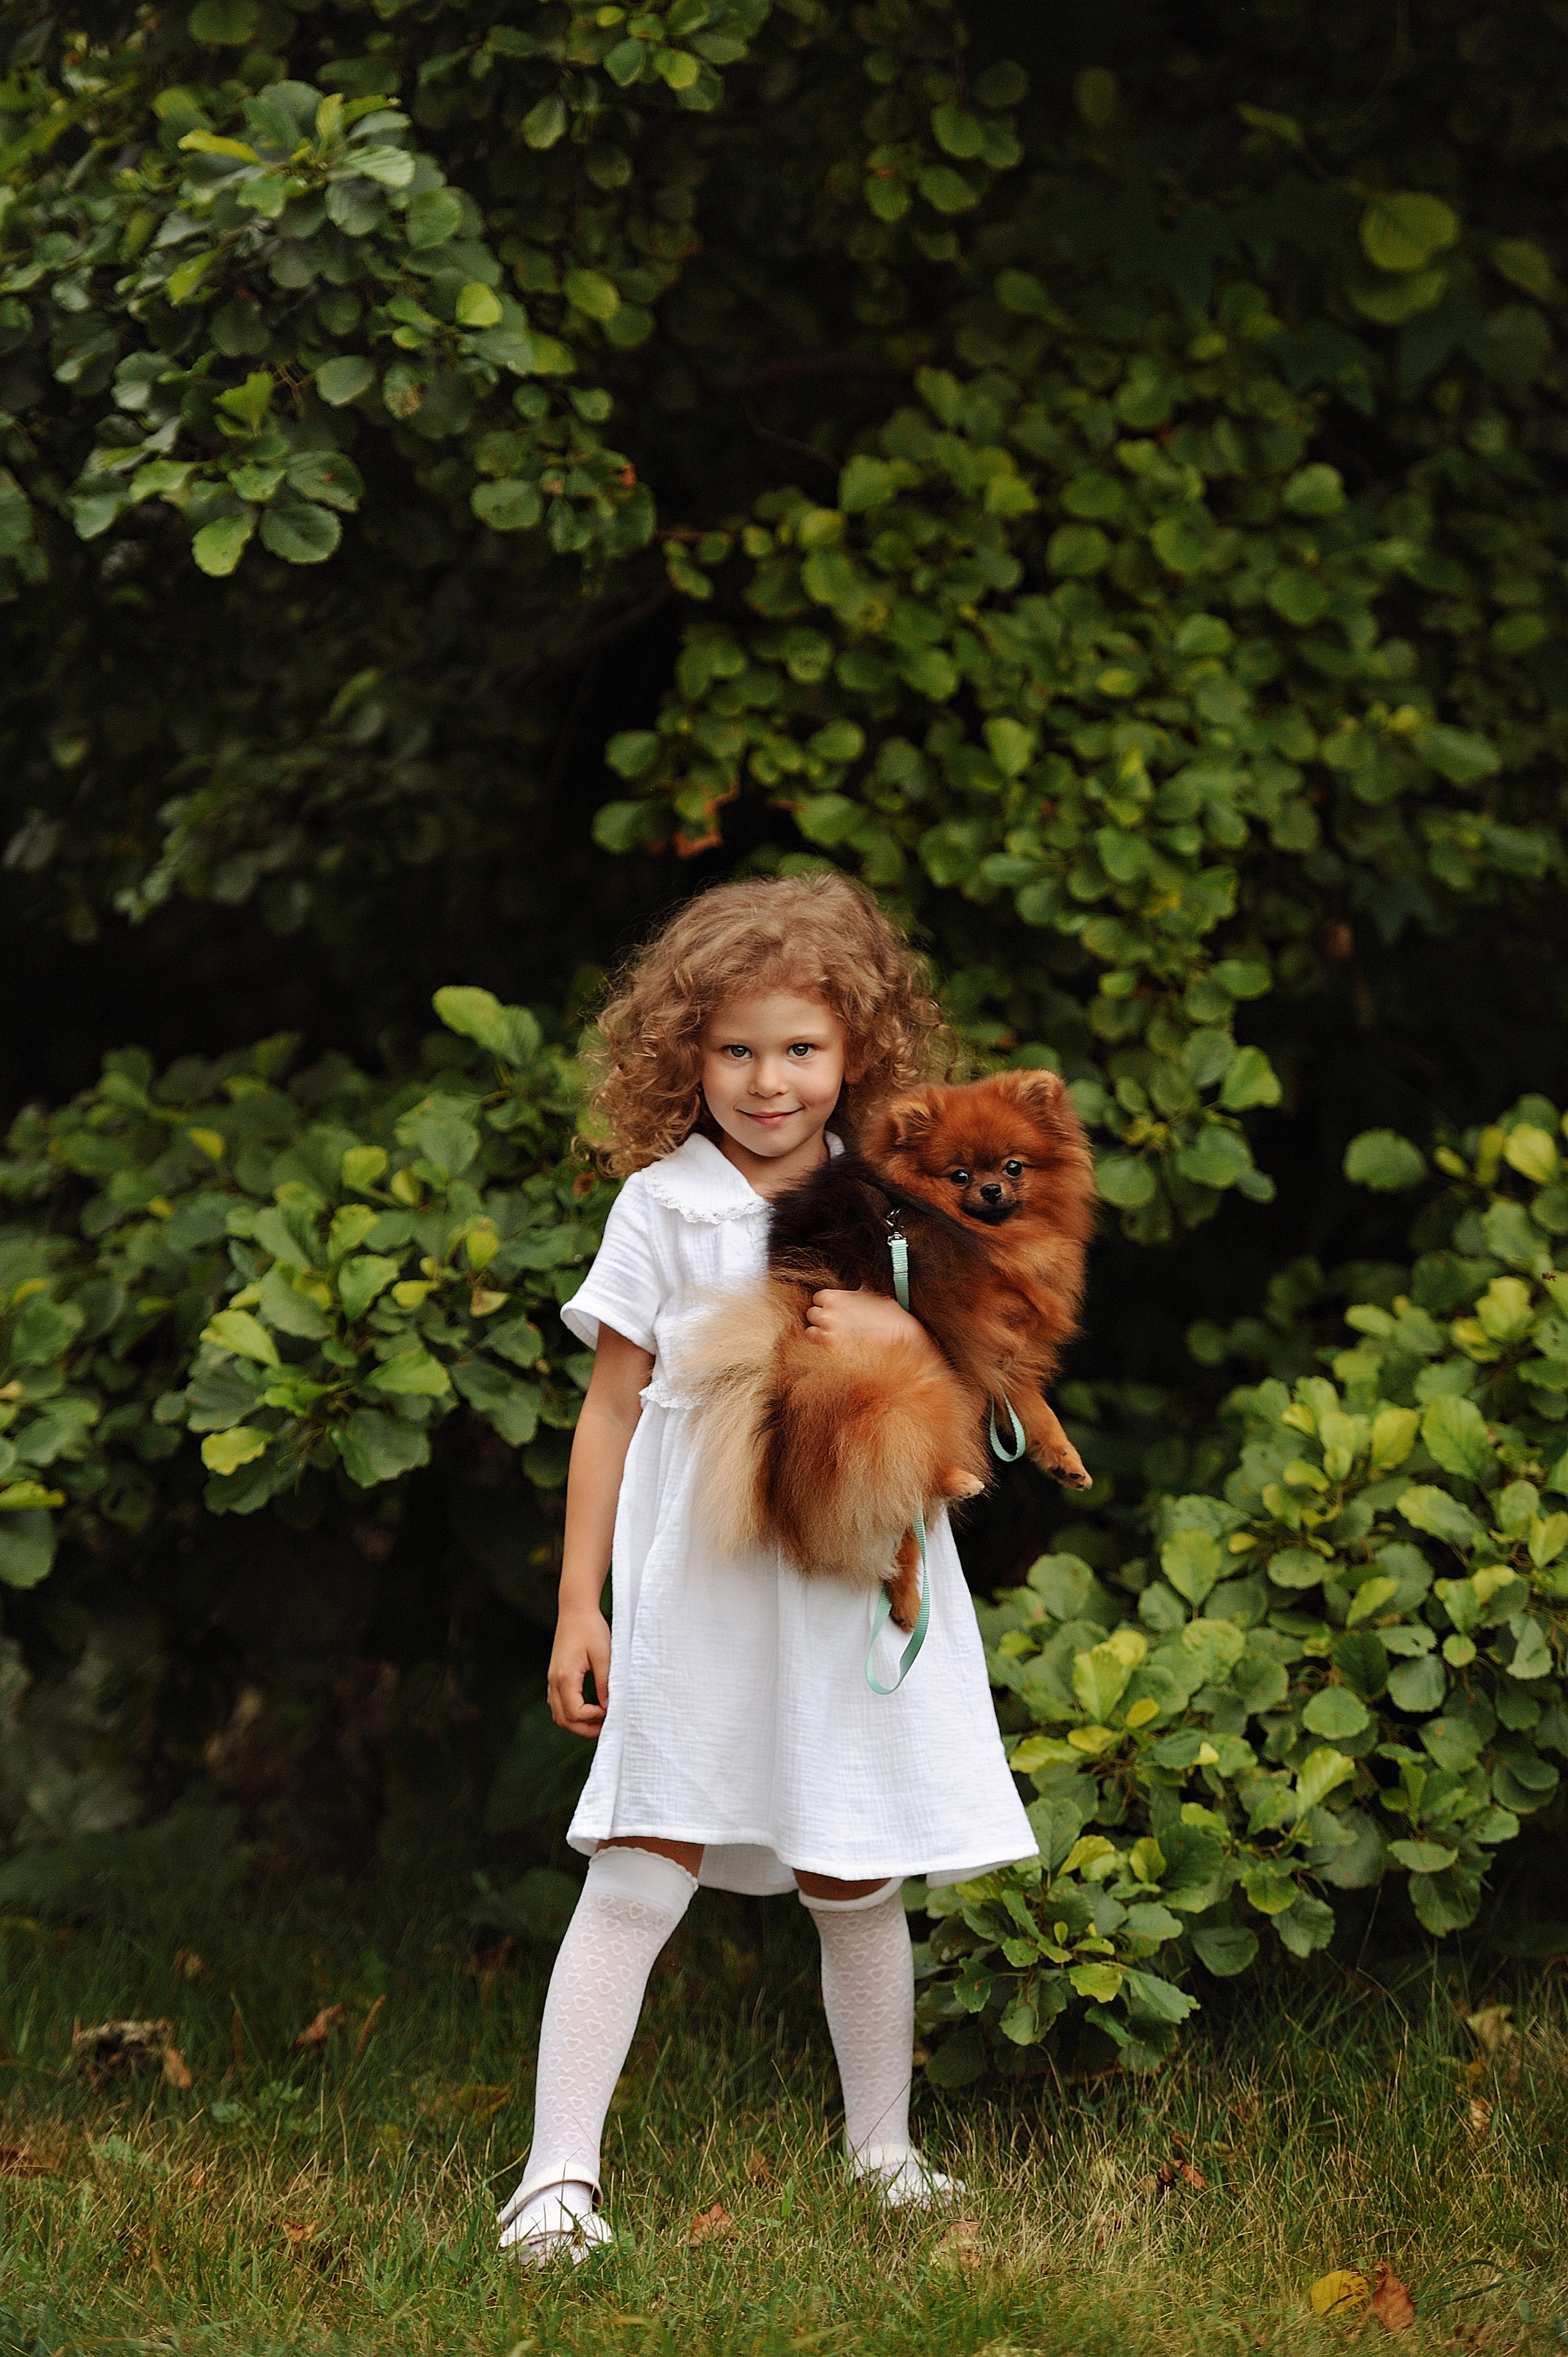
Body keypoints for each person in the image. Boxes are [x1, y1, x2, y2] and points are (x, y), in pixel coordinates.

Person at [496, 874, 1037, 2263]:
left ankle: (883, 2152)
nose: (767, 1080)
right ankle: (555, 2179)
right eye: (733, 1049)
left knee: (855, 1872)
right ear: (685, 1057)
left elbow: (973, 1376)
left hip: (848, 1579)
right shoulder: (661, 1207)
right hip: (700, 1594)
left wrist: (898, 1339)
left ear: (857, 1051)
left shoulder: (898, 1200)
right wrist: (578, 1603)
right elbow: (611, 1410)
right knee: (640, 1860)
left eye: (800, 1047)